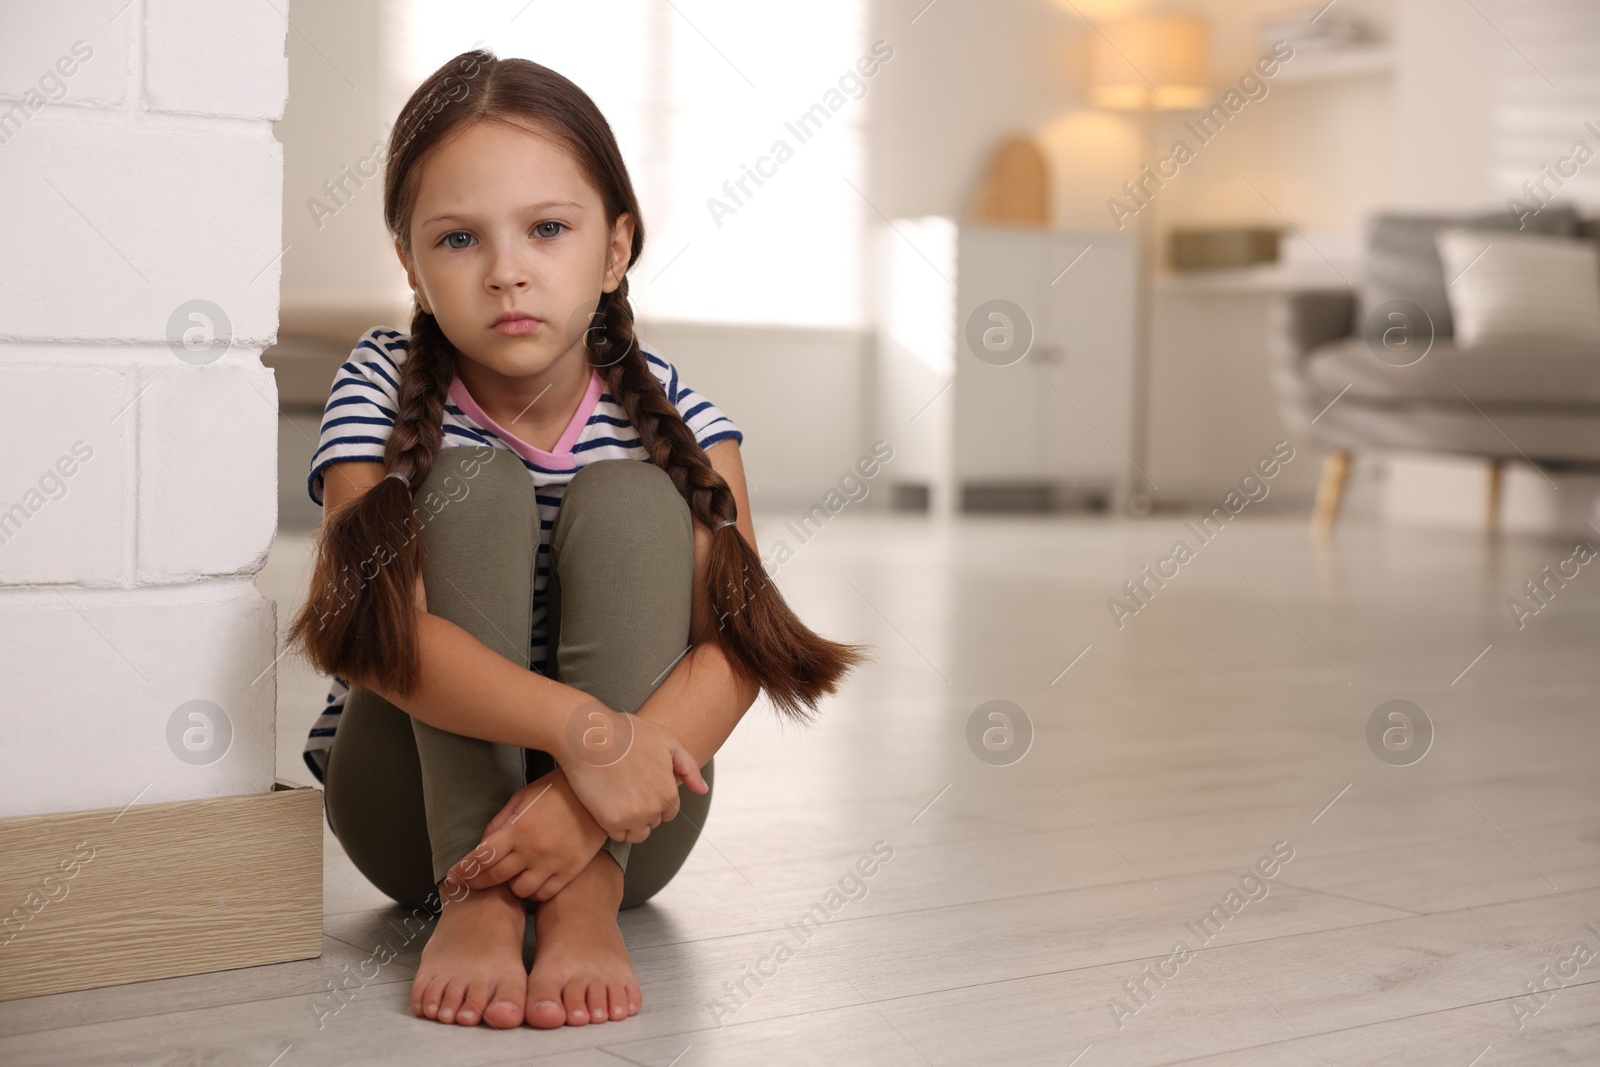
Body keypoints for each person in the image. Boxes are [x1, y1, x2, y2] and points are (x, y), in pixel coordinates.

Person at [286, 49, 872, 1032]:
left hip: (632, 820)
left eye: (548, 229)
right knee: (468, 488)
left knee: (638, 499)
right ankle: (476, 895)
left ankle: (582, 892)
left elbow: (738, 649)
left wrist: (585, 800)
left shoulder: (681, 415)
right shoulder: (381, 385)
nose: (508, 269)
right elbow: (372, 630)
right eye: (459, 238)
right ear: (412, 265)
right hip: (410, 816)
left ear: (613, 249)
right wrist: (582, 733)